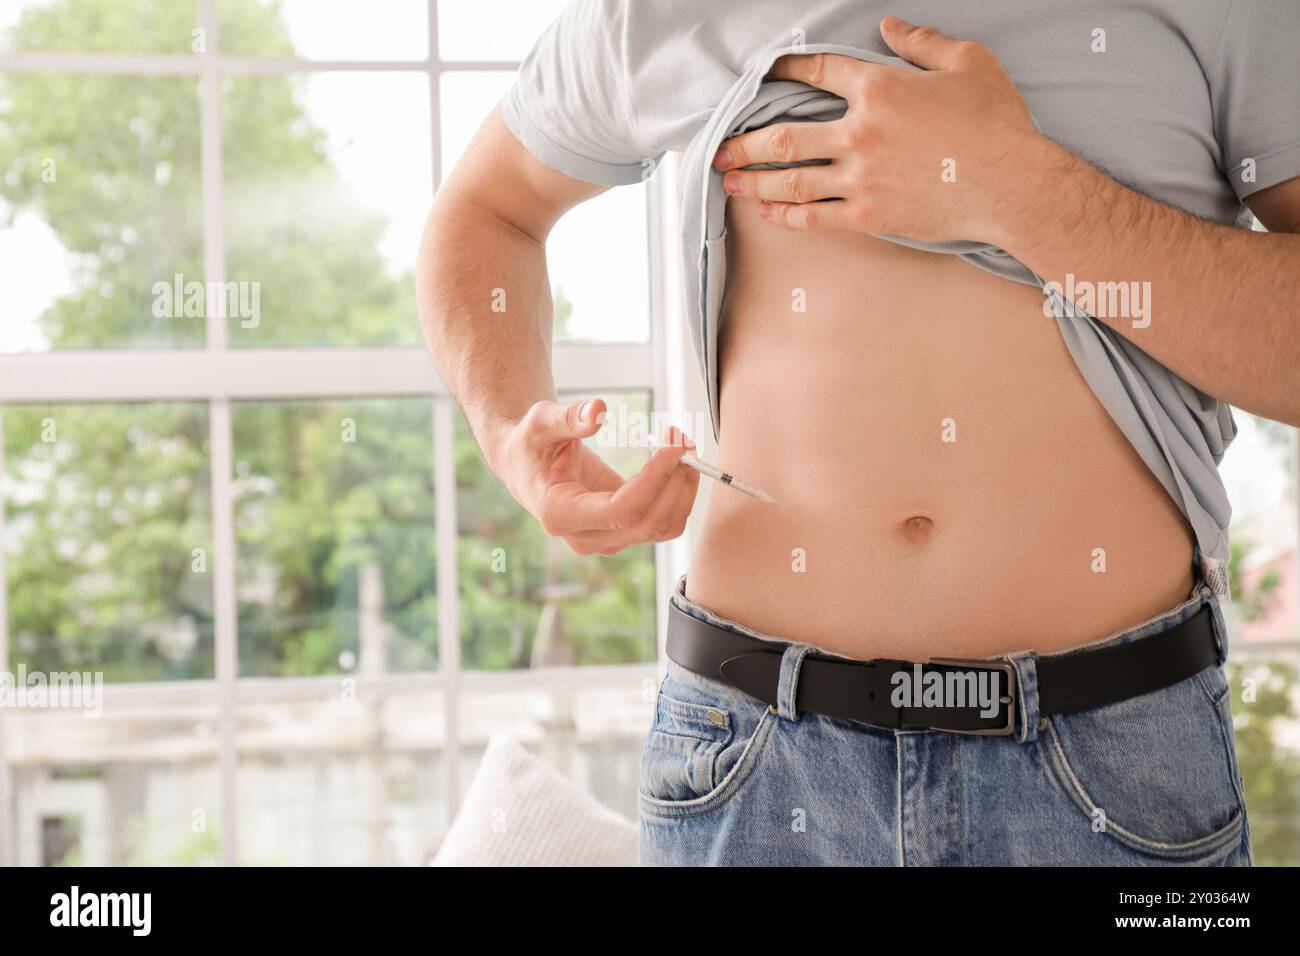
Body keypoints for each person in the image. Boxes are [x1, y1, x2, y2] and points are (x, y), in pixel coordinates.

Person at [416, 1, 1300, 865]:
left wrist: (1017, 190)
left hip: (1114, 762)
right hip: (753, 763)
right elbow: (489, 209)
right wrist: (505, 430)